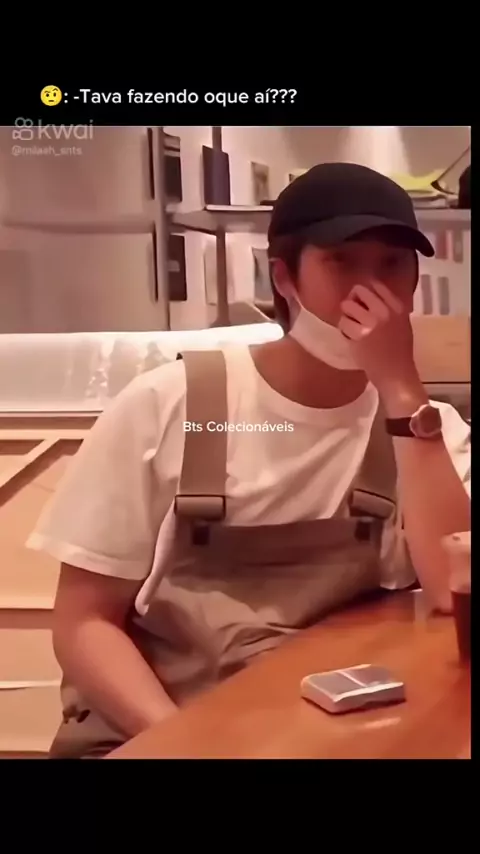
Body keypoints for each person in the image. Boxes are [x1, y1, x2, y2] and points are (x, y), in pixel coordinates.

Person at [28, 162, 471, 758]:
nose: (371, 292)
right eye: (342, 262)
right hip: (159, 729)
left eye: (392, 264)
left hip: (325, 734)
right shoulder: (176, 404)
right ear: (284, 277)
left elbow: (451, 591)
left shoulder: (425, 429)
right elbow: (83, 623)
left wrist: (401, 393)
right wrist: (188, 743)